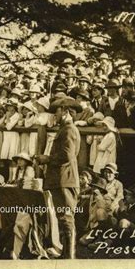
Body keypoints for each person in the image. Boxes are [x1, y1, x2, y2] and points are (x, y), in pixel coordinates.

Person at [35, 97, 82, 259]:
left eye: (57, 111)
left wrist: (46, 158)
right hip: (62, 179)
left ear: (65, 111)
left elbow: (66, 156)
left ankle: (69, 256)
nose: (55, 115)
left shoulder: (69, 129)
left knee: (65, 217)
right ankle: (66, 254)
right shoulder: (66, 129)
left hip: (64, 180)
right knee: (63, 217)